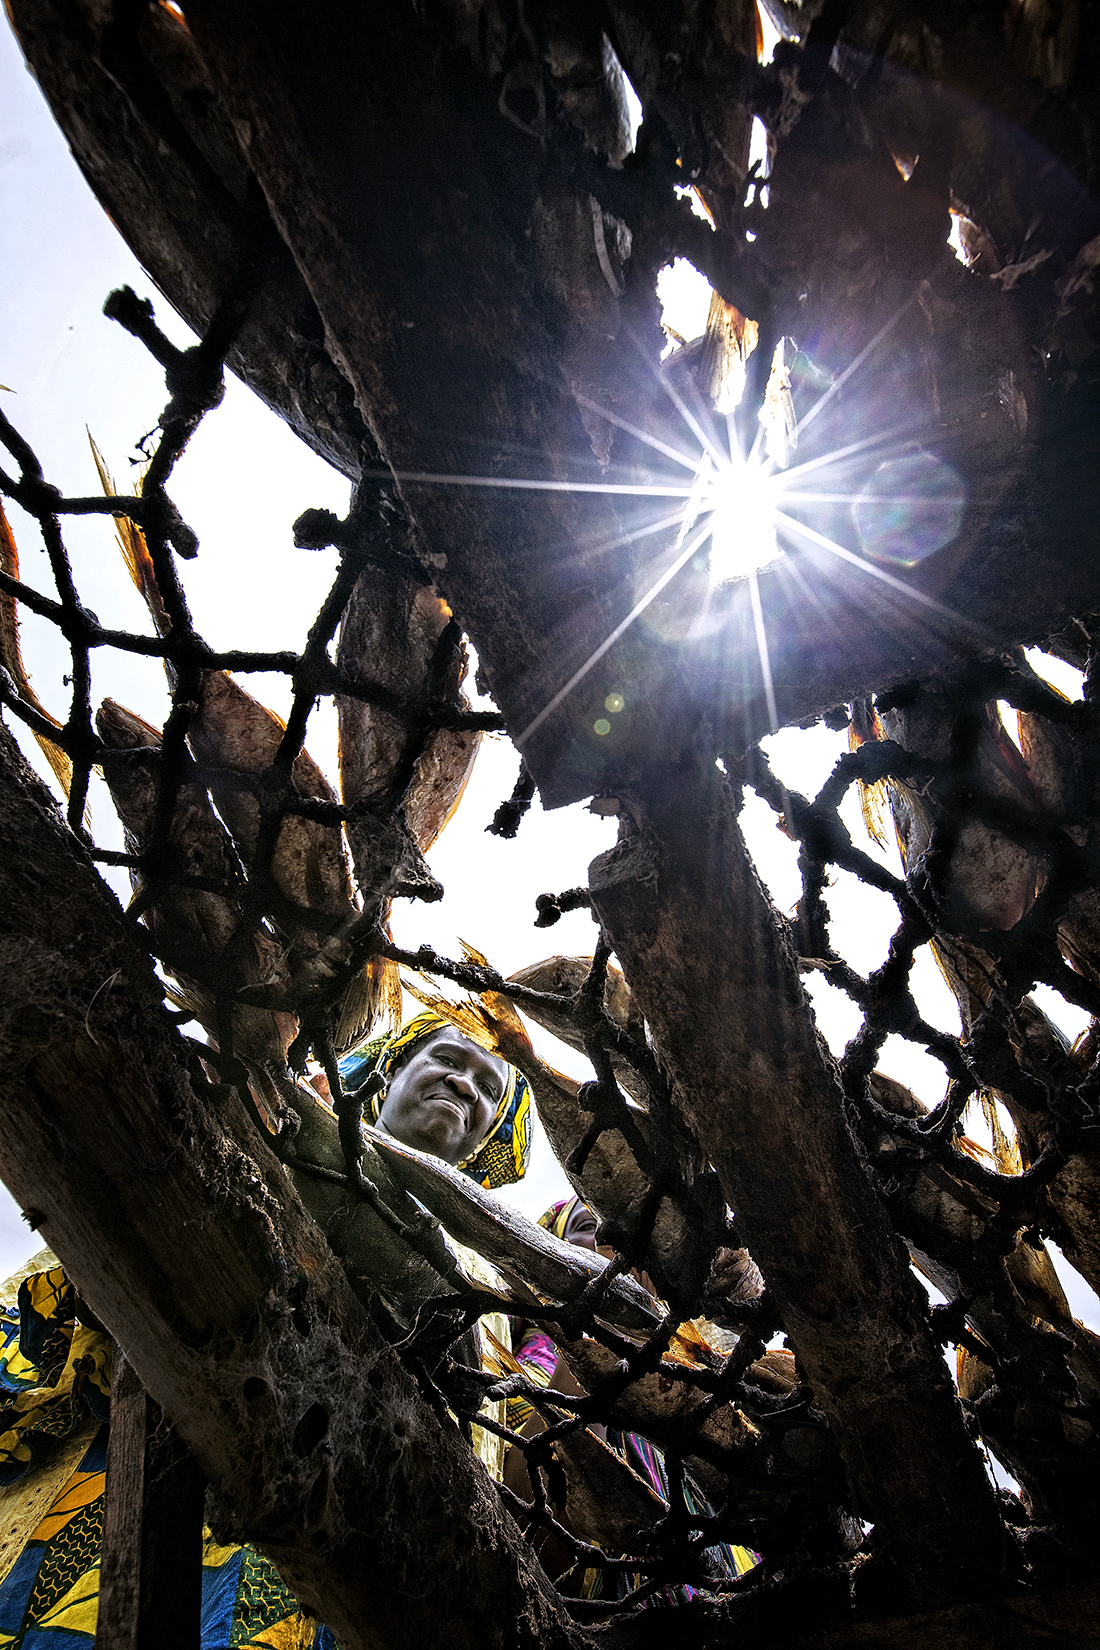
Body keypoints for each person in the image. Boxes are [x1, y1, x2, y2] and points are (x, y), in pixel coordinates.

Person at [0, 1014, 532, 1649]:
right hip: (138, 1462)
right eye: (449, 1059)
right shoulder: (268, 1123)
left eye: (489, 1089)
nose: (467, 1085)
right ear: (390, 1073)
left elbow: (467, 1446)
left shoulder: (483, 1286)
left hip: (328, 1545)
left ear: (481, 1143)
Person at [507, 1195, 757, 1607]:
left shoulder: (703, 1377)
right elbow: (527, 1529)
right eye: (589, 1225)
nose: (611, 1244)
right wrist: (609, 1323)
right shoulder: (504, 1330)